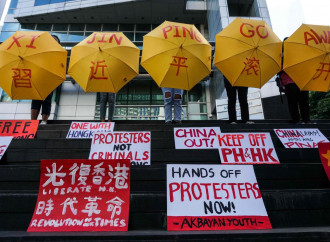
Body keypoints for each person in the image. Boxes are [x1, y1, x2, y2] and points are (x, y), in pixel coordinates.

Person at [278, 37, 310, 124]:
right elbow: (278, 68)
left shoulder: (300, 53)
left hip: (300, 80)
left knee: (301, 101)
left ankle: (304, 119)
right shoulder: (281, 55)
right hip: (291, 81)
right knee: (294, 101)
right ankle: (298, 119)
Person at [30, 35, 61, 125]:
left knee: (47, 99)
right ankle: (33, 121)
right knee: (36, 98)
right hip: (39, 76)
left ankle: (44, 120)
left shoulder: (58, 53)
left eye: (55, 41)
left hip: (50, 78)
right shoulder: (41, 50)